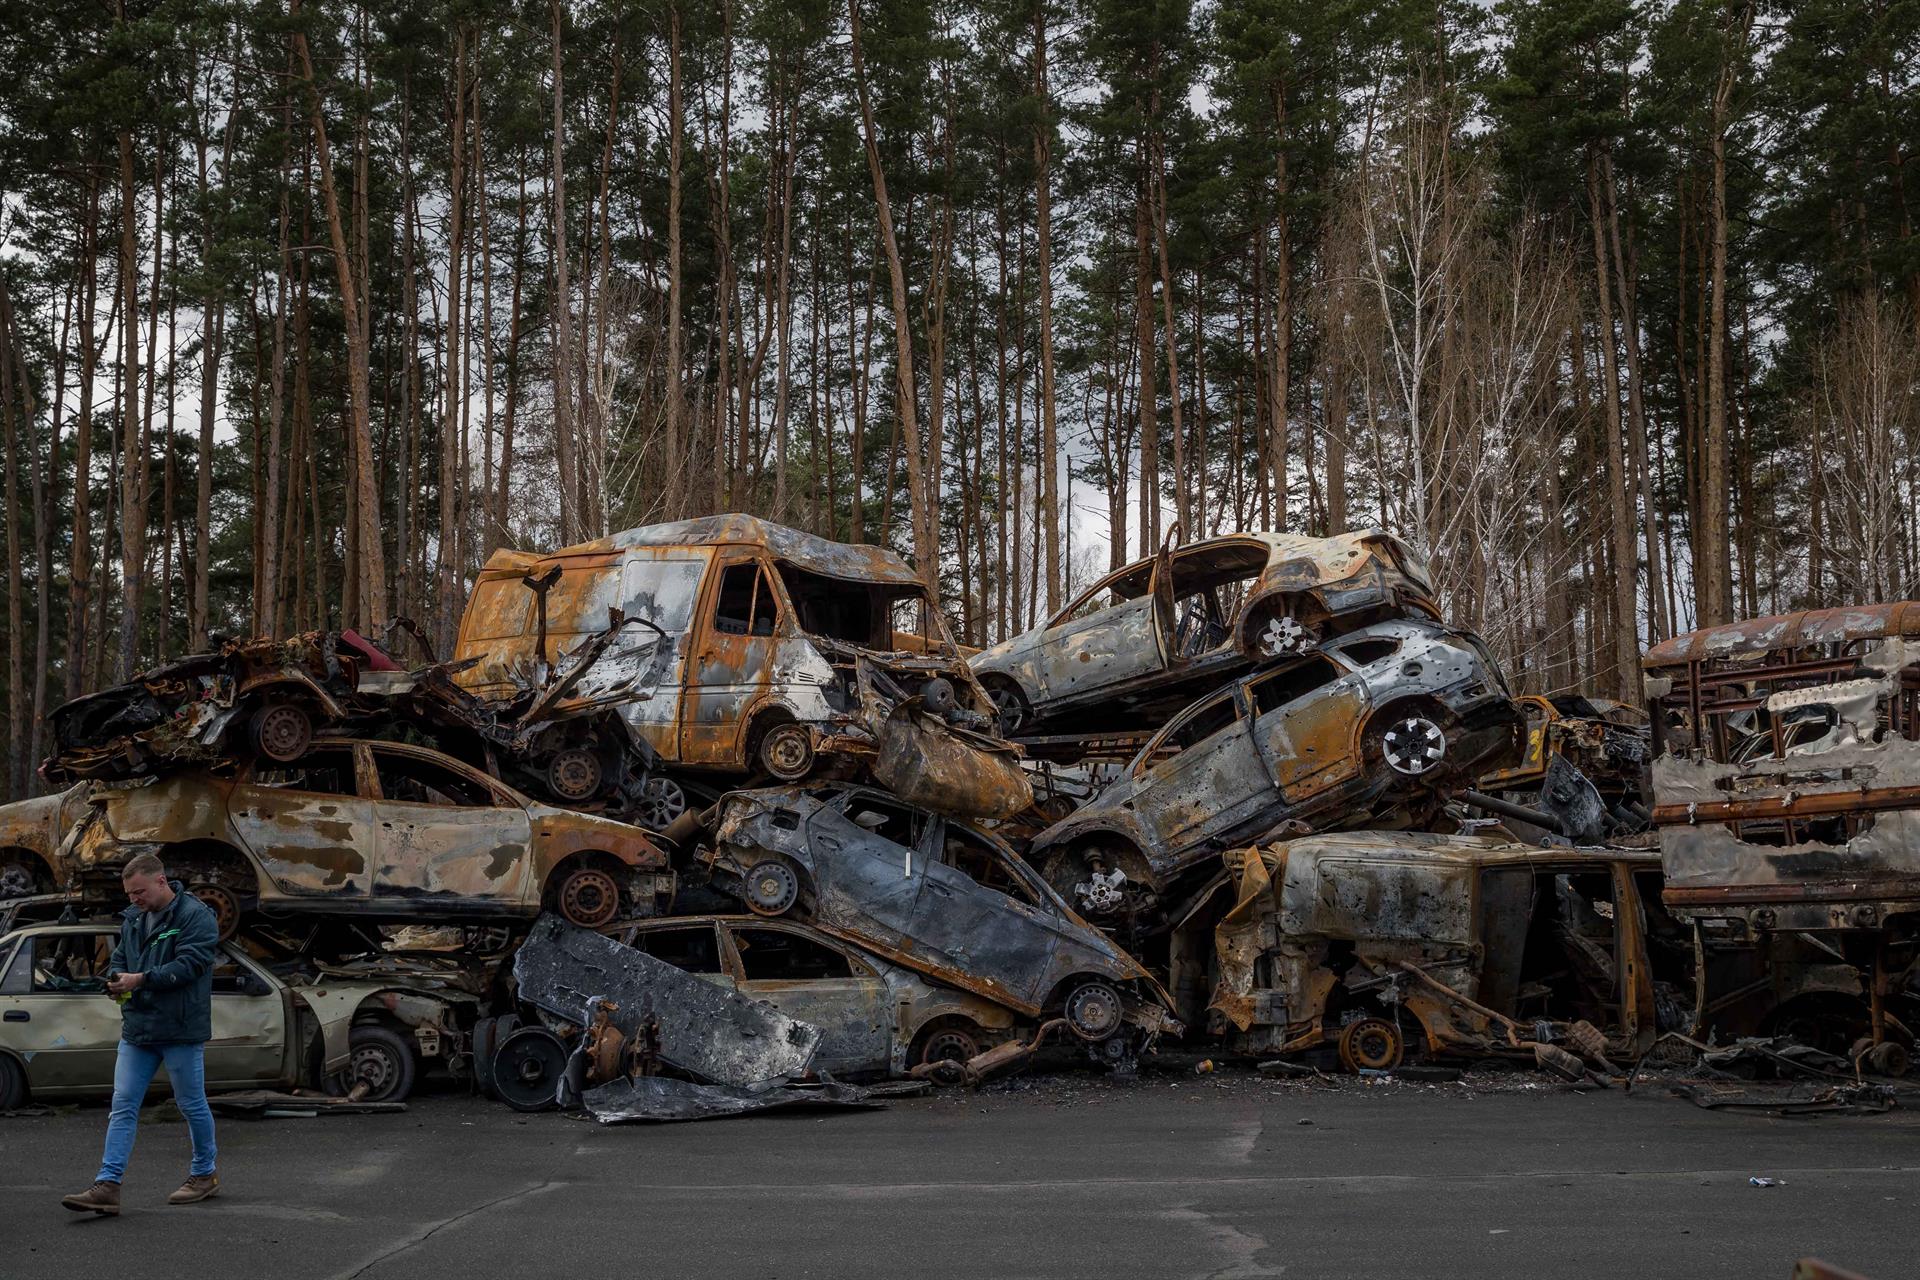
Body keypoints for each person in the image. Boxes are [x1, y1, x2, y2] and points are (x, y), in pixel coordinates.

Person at [61, 853, 222, 1216]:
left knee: (191, 1104)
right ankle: (108, 1186)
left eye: (139, 892)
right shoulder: (133, 917)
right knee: (123, 1104)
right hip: (138, 1029)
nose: (134, 899)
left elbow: (191, 965)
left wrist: (142, 979)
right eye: (130, 893)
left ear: (161, 882)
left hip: (180, 1030)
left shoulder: (196, 916)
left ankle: (204, 1174)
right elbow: (121, 959)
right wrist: (116, 979)